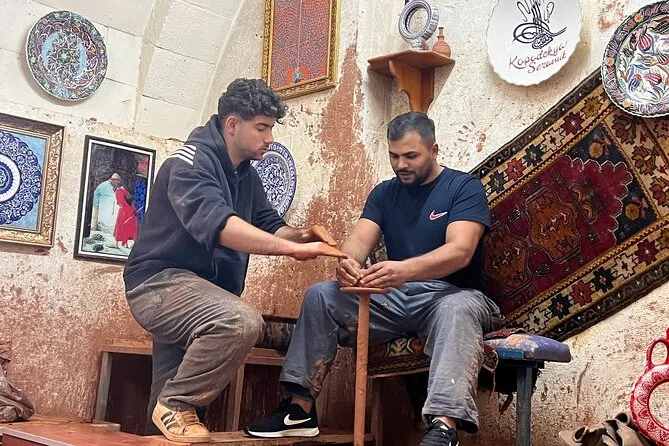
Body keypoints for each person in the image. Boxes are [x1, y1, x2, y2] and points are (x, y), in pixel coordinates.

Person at [246, 112, 503, 446]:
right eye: (394, 156)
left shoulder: (463, 187)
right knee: (322, 295)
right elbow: (355, 245)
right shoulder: (384, 193)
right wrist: (347, 265)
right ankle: (299, 410)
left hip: (452, 296)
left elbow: (460, 251)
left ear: (434, 150)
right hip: (395, 300)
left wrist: (402, 270)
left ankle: (443, 427)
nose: (401, 165)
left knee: (458, 308)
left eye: (411, 156)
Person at [123, 78, 344, 444]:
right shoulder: (189, 163)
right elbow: (220, 226)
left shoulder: (246, 174)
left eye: (271, 128)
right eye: (262, 128)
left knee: (169, 417)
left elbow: (271, 224)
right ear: (232, 124)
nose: (269, 138)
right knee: (239, 322)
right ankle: (176, 403)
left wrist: (302, 235)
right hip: (158, 285)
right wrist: (287, 249)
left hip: (201, 294)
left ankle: (171, 408)